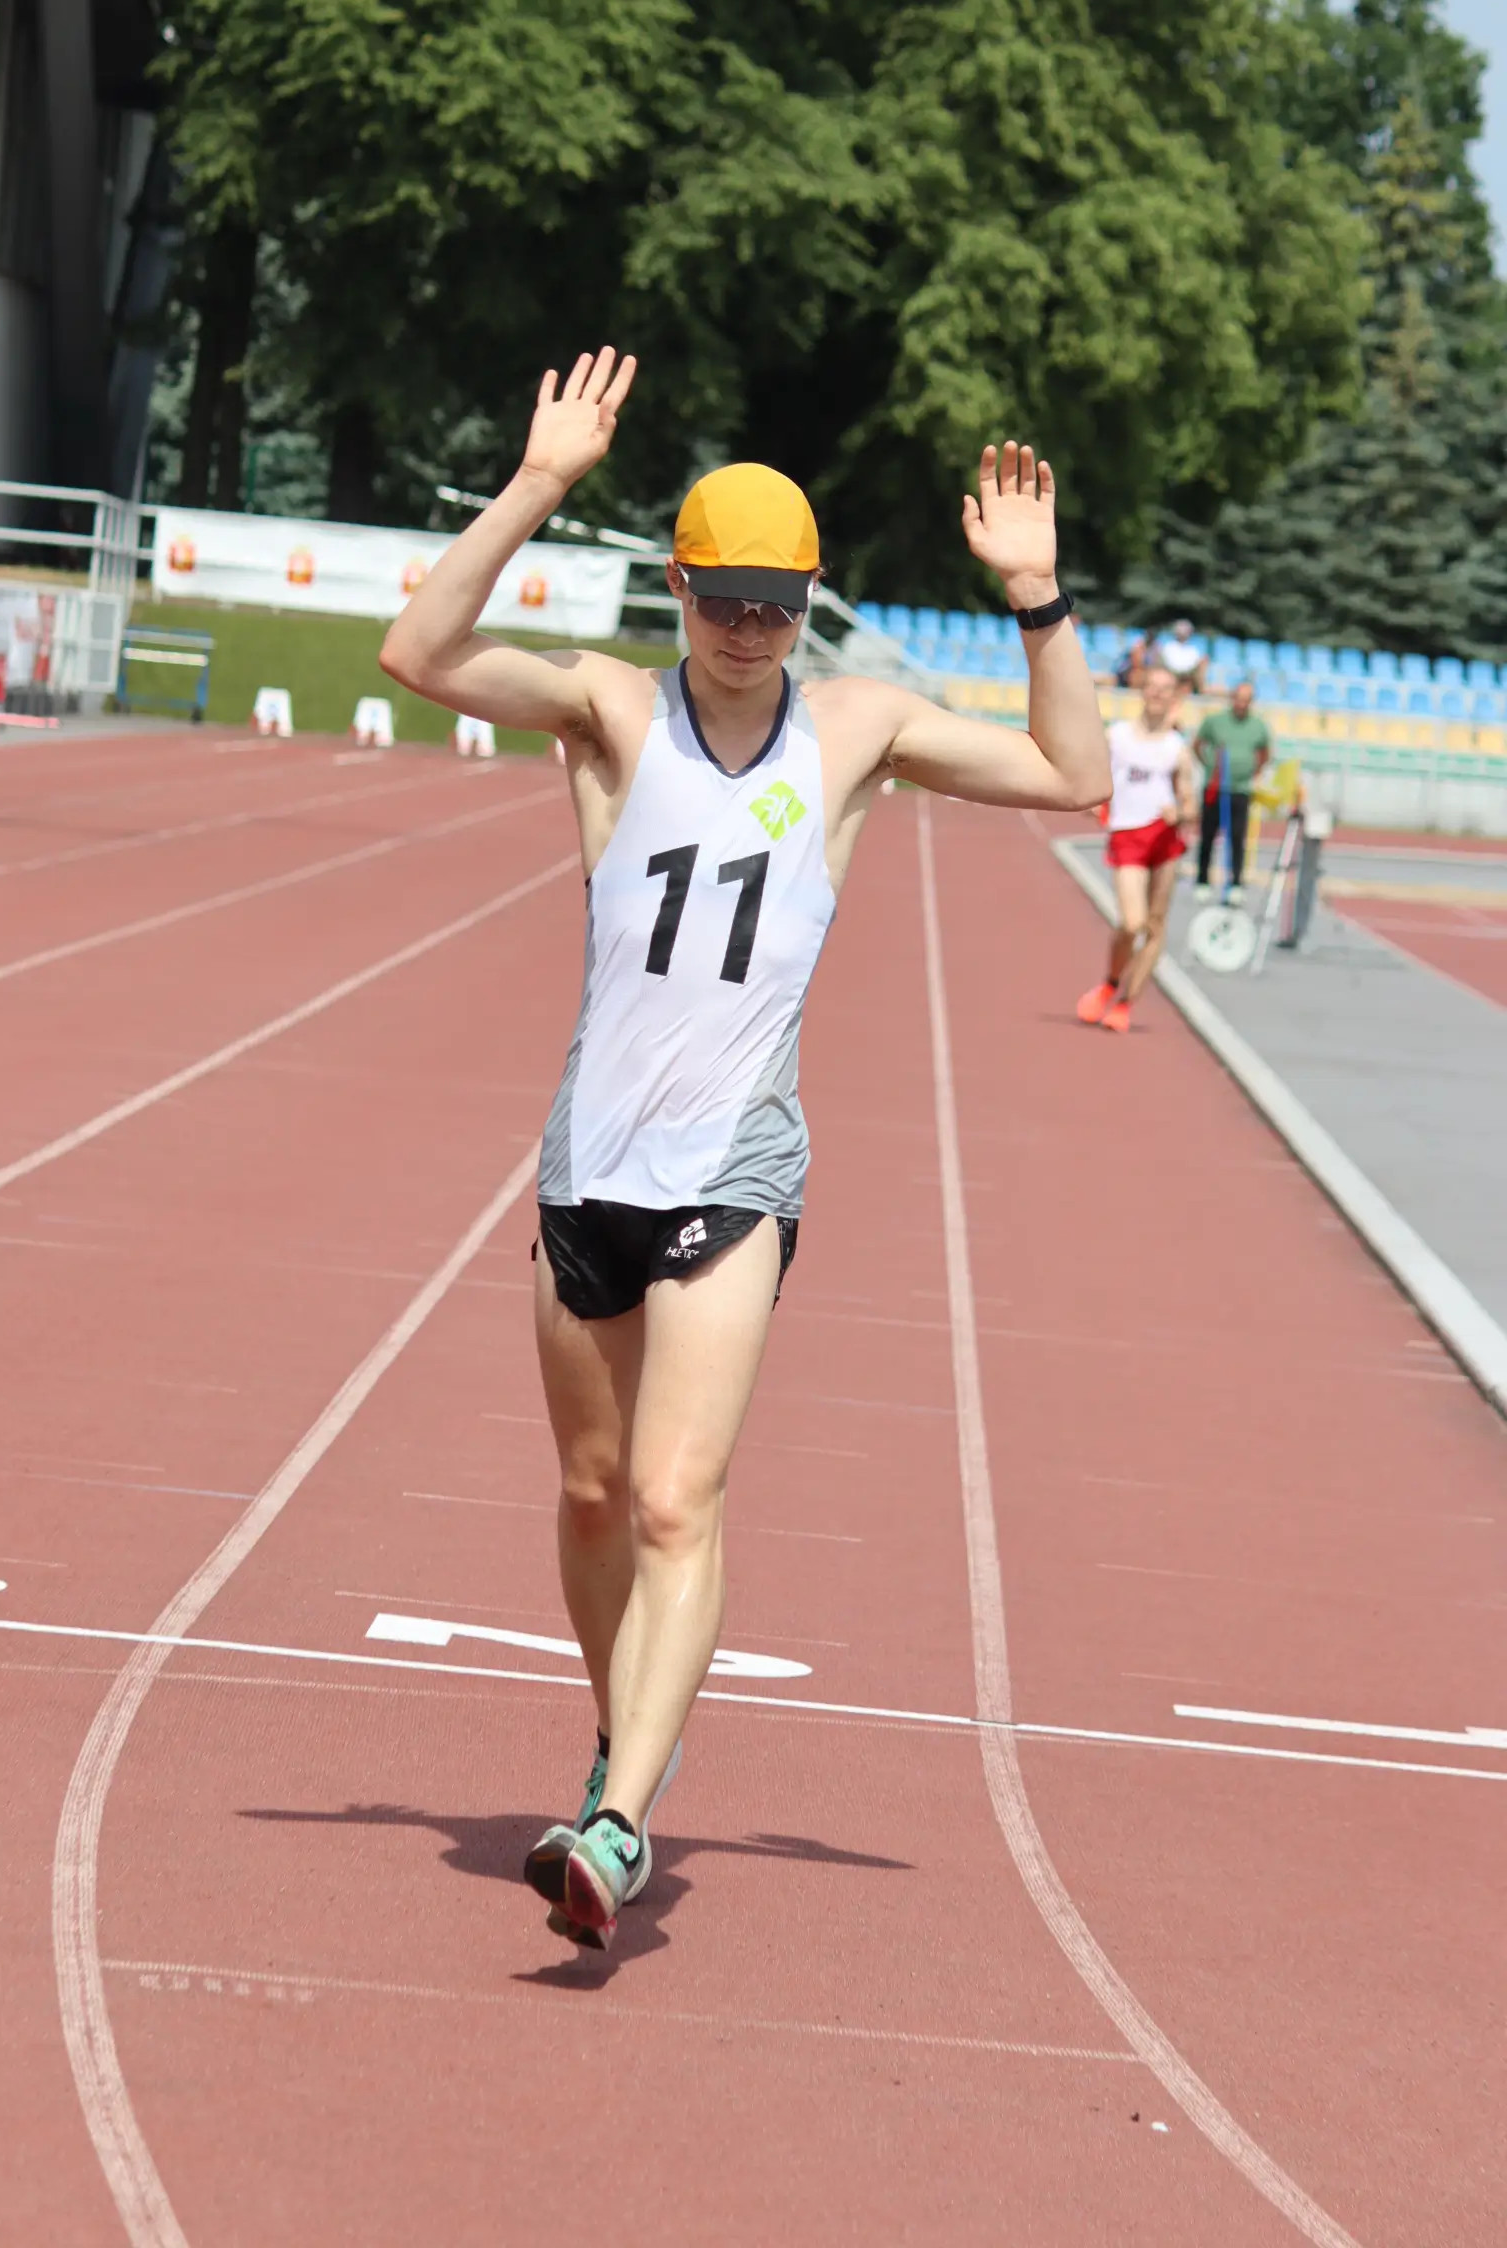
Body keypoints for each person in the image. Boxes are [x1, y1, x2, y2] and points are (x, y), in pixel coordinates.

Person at [379, 347, 1109, 1950]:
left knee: (673, 1497)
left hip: (734, 1173)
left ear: (811, 597)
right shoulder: (604, 709)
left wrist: (1038, 597)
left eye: (780, 603)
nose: (753, 628)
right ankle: (620, 1732)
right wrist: (540, 482)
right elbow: (417, 650)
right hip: (590, 1169)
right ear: (680, 582)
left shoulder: (851, 733)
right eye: (728, 599)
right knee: (586, 1498)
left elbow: (1074, 774)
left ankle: (624, 1820)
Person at [1076, 665, 1197, 1034]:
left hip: (1164, 838)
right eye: (1152, 687)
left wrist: (1181, 812)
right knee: (1131, 923)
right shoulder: (1117, 738)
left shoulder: (1177, 750)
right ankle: (1111, 982)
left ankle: (1126, 1004)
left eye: (1165, 689)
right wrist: (1093, 801)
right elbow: (1094, 779)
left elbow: (1191, 805)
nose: (1158, 694)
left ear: (1175, 698)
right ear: (1142, 691)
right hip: (1128, 837)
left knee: (1155, 927)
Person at [1193, 678, 1270, 906]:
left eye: (1247, 700)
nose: (1242, 704)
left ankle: (1236, 883)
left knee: (1238, 838)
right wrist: (1209, 764)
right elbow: (1198, 744)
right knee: (1207, 836)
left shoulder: (1258, 726)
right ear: (1232, 699)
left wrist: (1252, 772)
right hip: (1215, 787)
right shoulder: (1215, 721)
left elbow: (1264, 753)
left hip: (1240, 790)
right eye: (1239, 699)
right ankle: (1202, 881)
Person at [1157, 618, 1207, 694]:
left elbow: (1193, 668)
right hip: (1170, 676)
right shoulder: (1168, 647)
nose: (1183, 633)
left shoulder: (1193, 650)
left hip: (1186, 679)